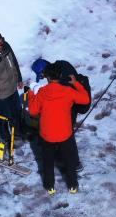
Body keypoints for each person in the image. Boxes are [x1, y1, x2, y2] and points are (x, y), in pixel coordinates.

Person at [27, 63, 90, 194]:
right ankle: (73, 186)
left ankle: (50, 186)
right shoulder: (68, 91)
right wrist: (76, 84)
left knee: (48, 162)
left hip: (47, 135)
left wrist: (31, 93)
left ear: (47, 77)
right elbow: (85, 99)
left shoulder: (42, 92)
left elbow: (33, 111)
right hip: (65, 134)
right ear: (60, 76)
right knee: (69, 160)